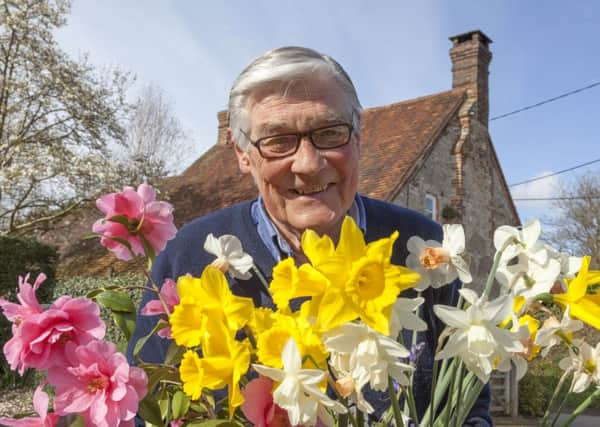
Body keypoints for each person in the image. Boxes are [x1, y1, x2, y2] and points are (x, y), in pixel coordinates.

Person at [127, 46, 492, 426]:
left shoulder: (426, 251)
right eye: (277, 141)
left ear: (357, 137)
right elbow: (145, 408)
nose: (309, 164)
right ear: (242, 153)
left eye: (330, 133)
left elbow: (470, 408)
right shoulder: (187, 256)